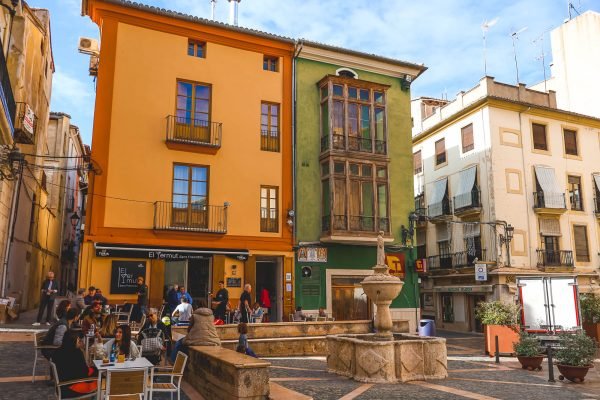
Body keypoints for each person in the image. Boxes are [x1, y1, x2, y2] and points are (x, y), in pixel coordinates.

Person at [51, 330, 97, 397]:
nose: (80, 341)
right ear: (74, 341)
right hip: (71, 388)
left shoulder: (57, 351)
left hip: (61, 386)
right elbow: (84, 373)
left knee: (94, 370)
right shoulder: (76, 353)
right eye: (78, 340)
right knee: (101, 377)